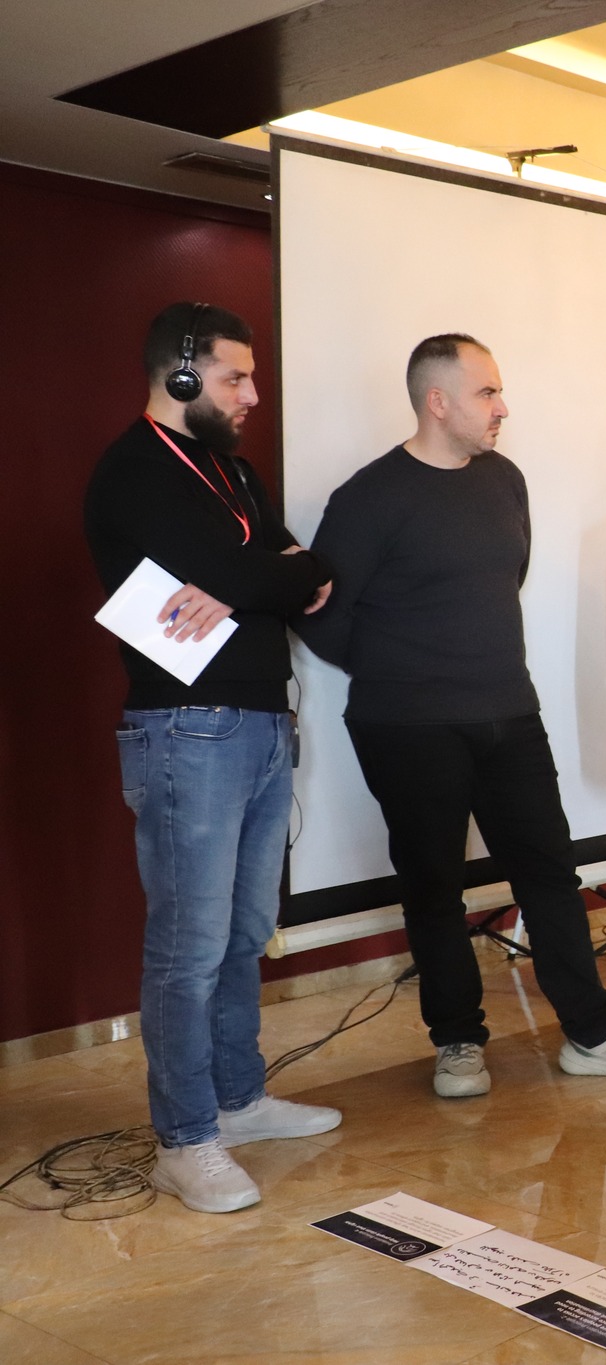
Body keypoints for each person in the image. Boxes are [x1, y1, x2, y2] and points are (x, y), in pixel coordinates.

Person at [297, 334, 606, 1097]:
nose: (503, 407)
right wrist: (401, 669)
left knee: (549, 871)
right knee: (433, 884)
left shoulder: (504, 480)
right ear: (438, 402)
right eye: (487, 392)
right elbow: (320, 614)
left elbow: (508, 573)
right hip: (408, 726)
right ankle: (458, 1041)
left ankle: (592, 1034)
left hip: (509, 710)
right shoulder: (370, 496)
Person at [84, 302, 341, 1213]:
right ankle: (185, 1138)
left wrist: (249, 582)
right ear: (182, 375)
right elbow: (271, 572)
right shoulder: (133, 472)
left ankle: (239, 1098)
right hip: (186, 728)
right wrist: (263, 577)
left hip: (261, 722)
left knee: (242, 931)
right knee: (188, 946)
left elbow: (307, 570)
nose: (252, 395)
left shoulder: (233, 470)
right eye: (236, 377)